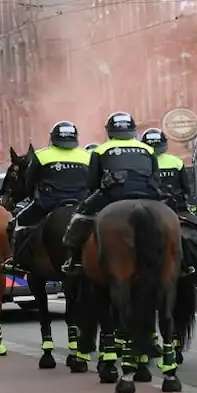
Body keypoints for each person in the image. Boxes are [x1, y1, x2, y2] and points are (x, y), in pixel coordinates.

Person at [61, 111, 161, 275]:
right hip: (147, 193)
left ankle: (75, 260)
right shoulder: (148, 149)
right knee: (177, 218)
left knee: (80, 217)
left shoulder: (101, 150)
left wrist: (95, 196)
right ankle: (185, 263)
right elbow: (156, 178)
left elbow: (92, 182)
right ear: (132, 130)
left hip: (113, 194)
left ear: (109, 131)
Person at [4, 121, 91, 272]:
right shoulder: (87, 155)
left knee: (20, 221)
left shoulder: (41, 155)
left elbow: (30, 181)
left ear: (53, 138)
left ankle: (17, 260)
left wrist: (33, 196)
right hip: (81, 202)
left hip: (48, 202)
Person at [140, 127, 197, 276]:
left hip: (148, 208)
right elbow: (187, 189)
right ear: (164, 145)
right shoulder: (176, 161)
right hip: (176, 208)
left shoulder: (140, 164)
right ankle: (190, 264)